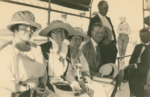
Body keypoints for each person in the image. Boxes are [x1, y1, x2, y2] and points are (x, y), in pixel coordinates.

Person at [0, 10, 58, 97]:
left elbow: (43, 72)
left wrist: (42, 85)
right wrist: (31, 90)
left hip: (39, 91)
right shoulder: (6, 52)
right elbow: (7, 83)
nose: (29, 30)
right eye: (25, 27)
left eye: (32, 27)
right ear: (15, 28)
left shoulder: (36, 49)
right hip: (17, 93)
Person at [39, 20, 74, 85]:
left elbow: (69, 71)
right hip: (46, 85)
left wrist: (74, 83)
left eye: (62, 31)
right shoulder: (43, 48)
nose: (60, 34)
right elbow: (40, 74)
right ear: (50, 34)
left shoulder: (66, 48)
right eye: (56, 32)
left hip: (62, 84)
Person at [87, 0, 117, 64]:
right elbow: (90, 34)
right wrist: (102, 41)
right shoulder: (94, 19)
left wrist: (114, 42)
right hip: (102, 48)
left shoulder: (108, 19)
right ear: (99, 8)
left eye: (108, 8)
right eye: (105, 8)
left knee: (112, 68)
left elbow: (112, 31)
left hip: (112, 47)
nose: (107, 10)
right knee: (104, 68)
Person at [124, 28, 150, 97]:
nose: (142, 38)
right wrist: (131, 66)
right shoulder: (138, 46)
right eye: (141, 36)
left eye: (144, 36)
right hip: (135, 70)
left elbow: (147, 64)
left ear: (149, 35)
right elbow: (131, 60)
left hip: (145, 72)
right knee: (124, 72)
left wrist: (135, 66)